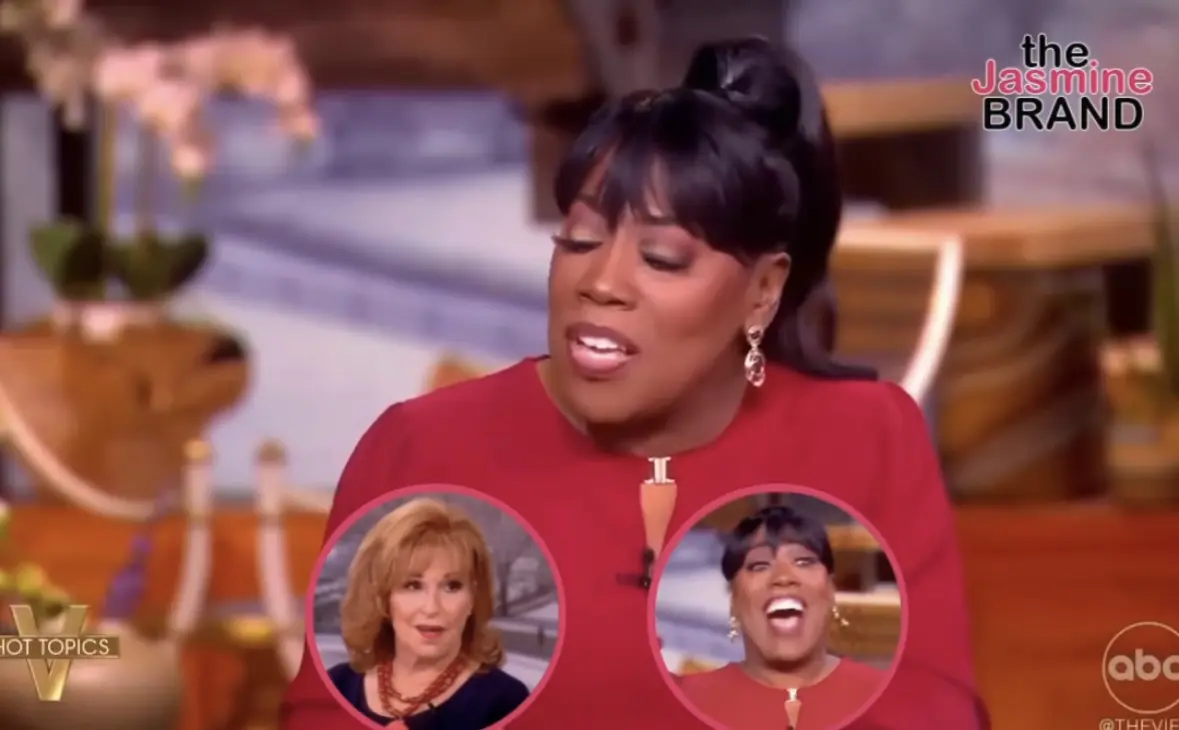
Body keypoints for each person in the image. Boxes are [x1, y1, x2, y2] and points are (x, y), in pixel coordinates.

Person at [282, 36, 987, 730]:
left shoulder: (864, 436)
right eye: (579, 240)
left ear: (762, 291)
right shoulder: (420, 448)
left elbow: (935, 708)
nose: (601, 282)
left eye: (662, 258)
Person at [323, 498, 529, 729]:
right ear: (381, 597)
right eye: (413, 586)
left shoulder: (505, 701)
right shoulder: (336, 686)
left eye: (452, 586)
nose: (432, 607)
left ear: (473, 598)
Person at [676, 505, 888, 729]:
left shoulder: (887, 700)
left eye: (804, 562)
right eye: (759, 565)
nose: (783, 577)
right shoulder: (688, 702)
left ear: (831, 591)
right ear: (734, 601)